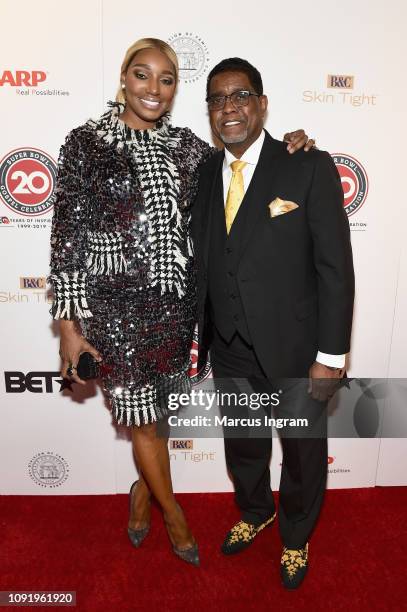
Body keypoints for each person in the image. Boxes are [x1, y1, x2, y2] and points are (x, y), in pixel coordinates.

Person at [48, 39, 314, 567]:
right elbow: (67, 237)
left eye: (166, 79)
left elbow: (246, 169)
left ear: (175, 90)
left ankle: (142, 493)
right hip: (113, 314)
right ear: (124, 78)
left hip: (179, 313)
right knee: (143, 421)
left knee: (160, 416)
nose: (153, 88)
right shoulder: (85, 144)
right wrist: (70, 326)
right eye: (142, 75)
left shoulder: (190, 149)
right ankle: (175, 517)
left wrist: (289, 148)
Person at [191, 58, 354, 587]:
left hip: (295, 347)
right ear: (210, 112)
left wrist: (331, 356)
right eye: (217, 99)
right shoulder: (201, 174)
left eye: (240, 96)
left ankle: (296, 535)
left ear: (262, 104)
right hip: (230, 346)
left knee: (303, 454)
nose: (228, 107)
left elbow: (335, 268)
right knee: (243, 444)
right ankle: (256, 510)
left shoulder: (306, 164)